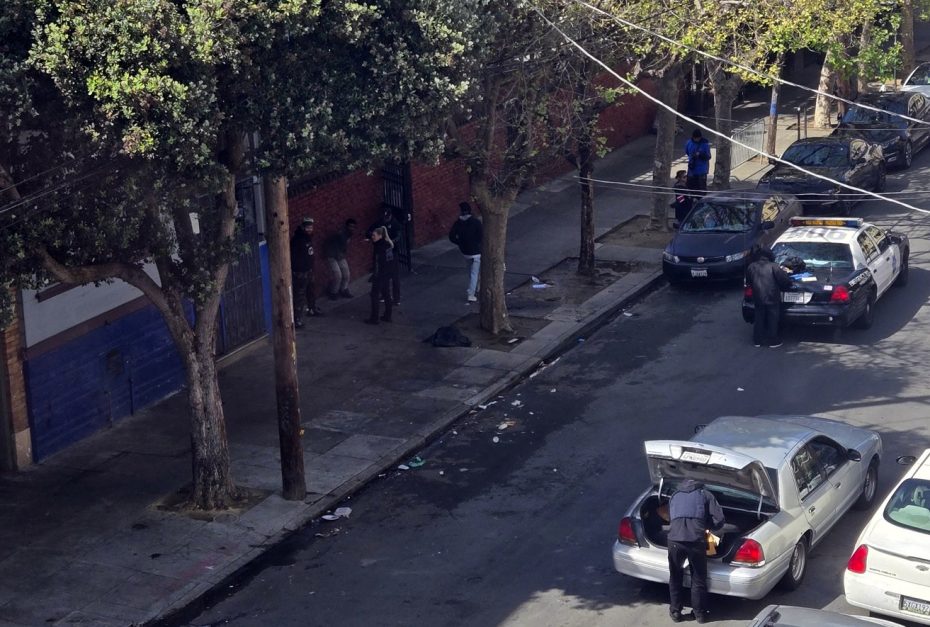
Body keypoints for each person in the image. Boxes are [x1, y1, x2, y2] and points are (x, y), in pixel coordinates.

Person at [667, 479, 725, 624]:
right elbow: (719, 520)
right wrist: (707, 526)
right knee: (698, 578)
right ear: (699, 485)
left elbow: (671, 517)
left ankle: (675, 612)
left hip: (675, 541)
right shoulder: (705, 494)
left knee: (675, 575)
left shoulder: (674, 495)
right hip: (695, 541)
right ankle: (699, 614)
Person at [746, 247, 793, 348]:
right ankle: (773, 340)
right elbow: (784, 281)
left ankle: (757, 340)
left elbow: (748, 282)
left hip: (758, 296)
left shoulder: (751, 266)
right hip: (772, 296)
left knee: (759, 318)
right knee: (772, 318)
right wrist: (789, 283)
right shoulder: (774, 266)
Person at [366, 205, 403, 305]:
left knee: (394, 276)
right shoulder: (379, 223)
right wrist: (373, 236)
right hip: (380, 252)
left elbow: (398, 237)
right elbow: (368, 231)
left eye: (387, 217)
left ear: (390, 215)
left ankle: (396, 298)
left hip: (391, 252)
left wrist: (389, 242)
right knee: (382, 274)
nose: (385, 219)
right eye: (384, 217)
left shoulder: (396, 224)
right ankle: (384, 295)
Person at [289, 216, 322, 328]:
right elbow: (293, 257)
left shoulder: (308, 238)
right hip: (300, 272)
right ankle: (297, 319)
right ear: (303, 227)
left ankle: (312, 309)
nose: (309, 229)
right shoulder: (297, 239)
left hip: (309, 270)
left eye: (311, 227)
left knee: (311, 290)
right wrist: (298, 269)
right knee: (299, 295)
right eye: (307, 227)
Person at [448, 202, 483, 303]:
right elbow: (481, 235)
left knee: (470, 272)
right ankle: (471, 293)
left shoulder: (458, 223)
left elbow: (451, 237)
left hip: (465, 252)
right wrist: (476, 244)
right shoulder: (475, 222)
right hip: (475, 252)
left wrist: (460, 243)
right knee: (474, 273)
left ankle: (476, 287)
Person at [364, 226, 396, 324]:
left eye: (374, 235)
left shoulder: (378, 247)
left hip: (380, 275)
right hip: (387, 274)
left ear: (380, 236)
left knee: (374, 295)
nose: (372, 237)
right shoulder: (387, 245)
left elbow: (378, 262)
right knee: (386, 294)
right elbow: (390, 261)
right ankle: (388, 315)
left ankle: (374, 318)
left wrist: (375, 275)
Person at [324, 218, 357, 300]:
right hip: (332, 256)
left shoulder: (348, 234)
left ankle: (344, 289)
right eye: (350, 226)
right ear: (346, 226)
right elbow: (332, 245)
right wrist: (337, 254)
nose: (352, 229)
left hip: (340, 256)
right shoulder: (340, 234)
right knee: (338, 275)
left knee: (346, 274)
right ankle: (333, 292)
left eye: (353, 227)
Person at [685, 129, 712, 194]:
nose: (696, 139)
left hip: (701, 170)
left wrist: (700, 155)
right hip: (692, 169)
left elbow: (708, 156)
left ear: (700, 137)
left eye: (697, 138)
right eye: (694, 138)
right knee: (690, 188)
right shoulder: (689, 142)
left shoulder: (705, 144)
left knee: (701, 189)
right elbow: (687, 152)